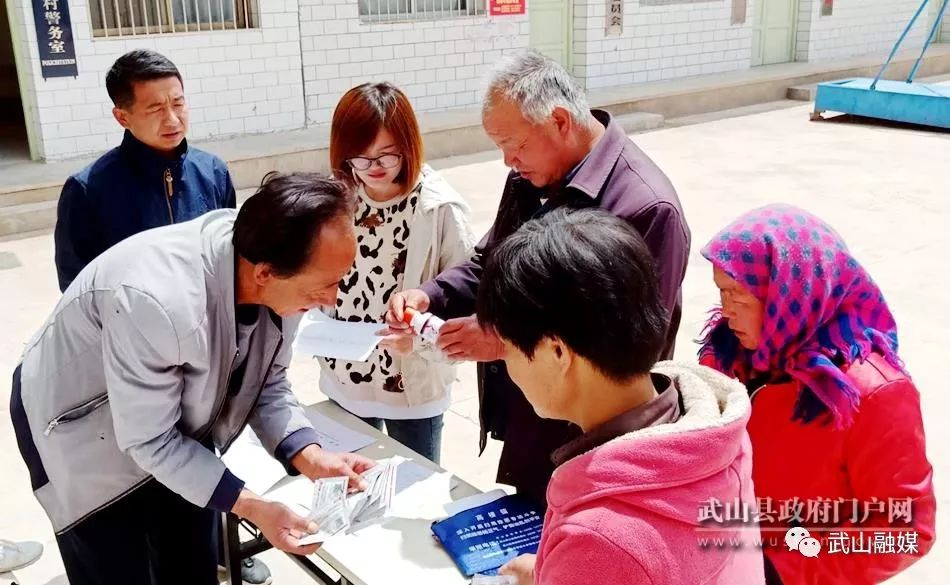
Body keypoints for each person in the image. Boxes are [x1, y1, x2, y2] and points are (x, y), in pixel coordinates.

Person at [10, 173, 376, 585]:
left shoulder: (275, 267)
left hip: (170, 422)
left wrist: (310, 454)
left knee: (188, 562)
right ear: (265, 273)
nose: (332, 299)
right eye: (324, 287)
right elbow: (149, 440)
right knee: (115, 567)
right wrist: (254, 506)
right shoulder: (158, 303)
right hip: (79, 425)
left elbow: (267, 381)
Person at [387, 49, 691, 504]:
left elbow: (627, 344)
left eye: (516, 144)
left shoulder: (645, 207)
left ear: (561, 121)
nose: (509, 160)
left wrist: (504, 338)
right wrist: (430, 295)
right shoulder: (533, 175)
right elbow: (493, 259)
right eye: (500, 147)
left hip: (598, 439)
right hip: (533, 416)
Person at [472, 208, 764, 584]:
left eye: (508, 350)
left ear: (557, 353)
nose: (511, 371)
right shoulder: (718, 437)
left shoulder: (599, 541)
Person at [699, 204, 936, 585]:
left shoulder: (873, 393)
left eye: (739, 296)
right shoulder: (730, 355)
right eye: (721, 293)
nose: (726, 312)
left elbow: (905, 532)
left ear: (786, 291)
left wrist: (789, 564)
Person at [319, 82, 475, 463]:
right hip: (346, 377)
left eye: (386, 156)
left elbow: (467, 303)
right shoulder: (337, 198)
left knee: (415, 493)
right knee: (349, 487)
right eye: (360, 157)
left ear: (408, 146)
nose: (372, 169)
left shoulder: (440, 209)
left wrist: (419, 343)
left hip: (411, 387)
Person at [54, 49, 236, 293]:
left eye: (178, 103)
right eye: (155, 109)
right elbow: (76, 286)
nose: (172, 119)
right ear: (122, 118)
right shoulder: (88, 190)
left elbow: (228, 254)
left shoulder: (213, 172)